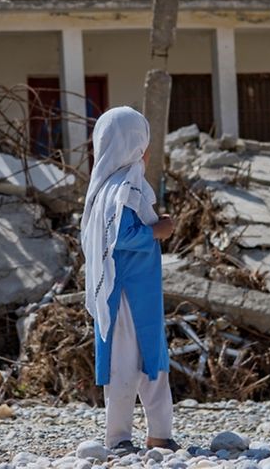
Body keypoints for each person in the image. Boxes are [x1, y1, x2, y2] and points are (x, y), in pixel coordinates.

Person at [80, 106, 178, 454]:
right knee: (128, 366)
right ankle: (120, 439)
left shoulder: (119, 186)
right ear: (132, 146)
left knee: (153, 362)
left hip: (140, 293)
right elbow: (120, 236)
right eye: (144, 142)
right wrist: (157, 230)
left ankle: (159, 436)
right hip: (124, 295)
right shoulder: (118, 190)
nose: (148, 152)